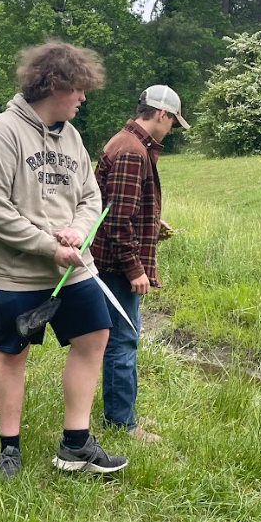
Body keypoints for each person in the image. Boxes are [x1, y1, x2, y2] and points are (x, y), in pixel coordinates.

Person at [0, 40, 127, 478]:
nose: (83, 97)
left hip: (71, 266)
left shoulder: (71, 136)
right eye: (78, 89)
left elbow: (91, 195)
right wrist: (48, 246)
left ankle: (75, 444)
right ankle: (9, 448)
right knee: (14, 351)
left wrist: (78, 228)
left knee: (95, 334)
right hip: (16, 270)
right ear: (55, 84)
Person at [92, 85, 190, 444]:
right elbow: (117, 220)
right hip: (116, 267)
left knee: (116, 338)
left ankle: (120, 412)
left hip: (110, 261)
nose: (170, 130)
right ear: (161, 114)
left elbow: (117, 207)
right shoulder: (133, 152)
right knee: (123, 340)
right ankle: (122, 423)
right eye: (172, 122)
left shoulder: (125, 143)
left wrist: (152, 224)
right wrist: (135, 269)